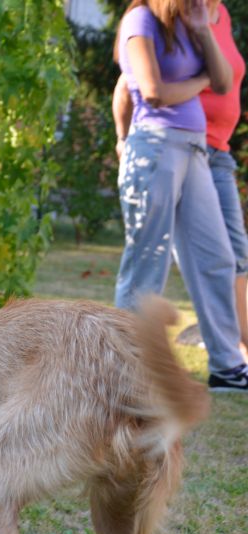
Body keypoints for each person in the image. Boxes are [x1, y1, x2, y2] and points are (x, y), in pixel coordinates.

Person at [113, 0, 248, 391]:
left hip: (194, 150)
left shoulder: (188, 23)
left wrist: (204, 30)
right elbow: (154, 92)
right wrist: (202, 79)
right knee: (147, 262)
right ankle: (126, 370)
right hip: (155, 148)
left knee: (217, 258)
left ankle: (226, 365)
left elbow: (224, 81)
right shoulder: (140, 21)